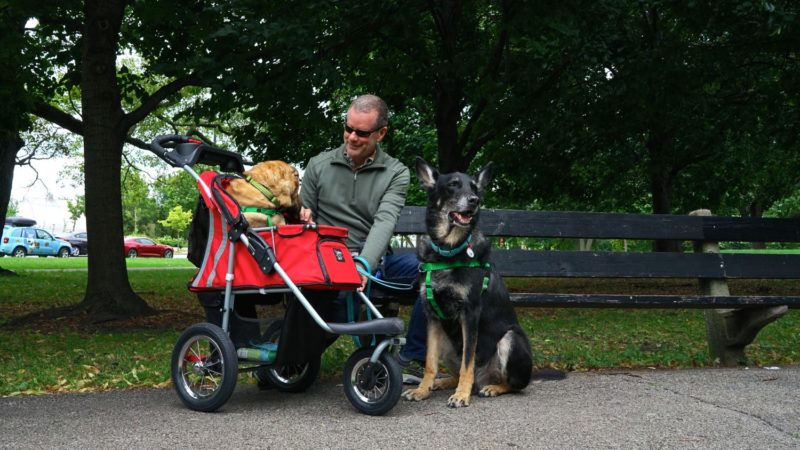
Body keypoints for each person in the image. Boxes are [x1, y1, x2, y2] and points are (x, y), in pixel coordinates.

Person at [300, 94, 427, 382]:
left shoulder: (396, 173)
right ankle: (297, 354)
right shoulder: (318, 165)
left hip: (372, 260)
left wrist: (364, 265)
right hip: (327, 262)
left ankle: (412, 358)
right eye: (348, 128)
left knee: (435, 272)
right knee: (331, 308)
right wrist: (302, 217)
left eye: (362, 132)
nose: (352, 137)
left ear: (381, 133)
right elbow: (302, 220)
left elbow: (384, 222)